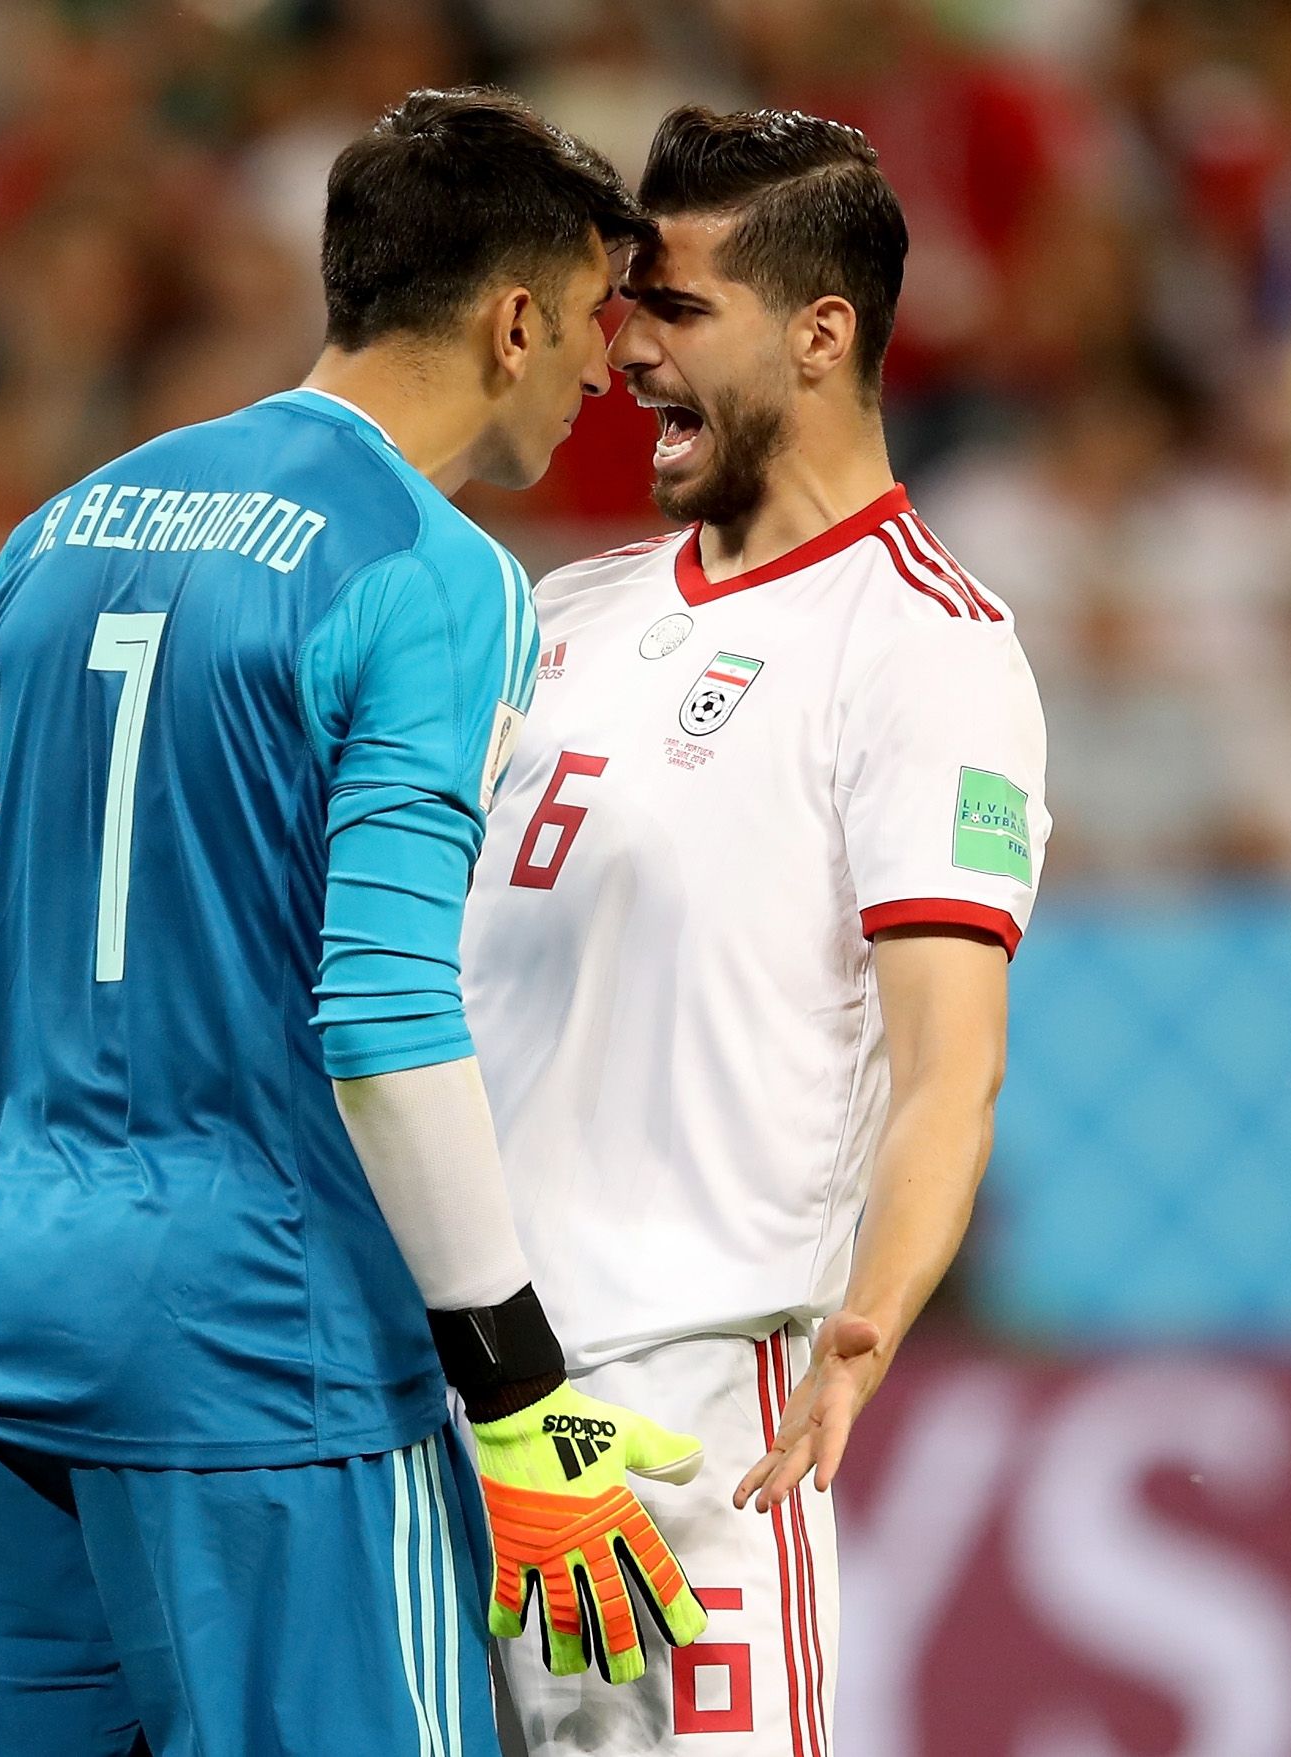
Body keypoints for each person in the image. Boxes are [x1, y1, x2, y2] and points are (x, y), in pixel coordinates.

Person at [0, 89, 704, 1757]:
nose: (609, 372)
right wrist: (519, 1389)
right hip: (268, 1364)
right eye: (598, 322)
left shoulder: (65, 527)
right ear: (515, 320)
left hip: (3, 1347)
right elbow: (379, 1012)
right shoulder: (435, 573)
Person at [461, 107, 1051, 1754]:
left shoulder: (927, 652)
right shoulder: (559, 615)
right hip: (447, 1409)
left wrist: (869, 1316)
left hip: (682, 1423)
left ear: (821, 331)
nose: (624, 343)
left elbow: (951, 1066)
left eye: (677, 306)